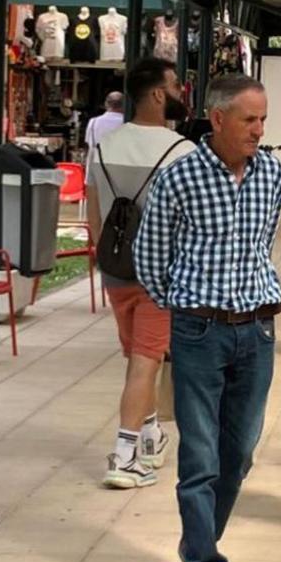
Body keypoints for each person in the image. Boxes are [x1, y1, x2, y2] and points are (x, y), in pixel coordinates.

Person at [134, 74, 281, 562]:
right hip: (200, 330)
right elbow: (151, 258)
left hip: (259, 330)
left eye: (264, 119)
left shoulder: (272, 174)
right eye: (249, 119)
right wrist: (187, 304)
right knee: (200, 455)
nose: (259, 129)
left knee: (239, 452)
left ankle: (199, 541)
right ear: (217, 119)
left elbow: (261, 243)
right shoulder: (180, 177)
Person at [86, 59, 195, 489]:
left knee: (137, 359)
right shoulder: (181, 151)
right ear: (156, 94)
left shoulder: (104, 145)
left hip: (115, 269)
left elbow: (94, 211)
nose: (180, 92)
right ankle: (125, 454)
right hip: (160, 275)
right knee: (146, 362)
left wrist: (103, 256)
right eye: (174, 85)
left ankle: (150, 434)